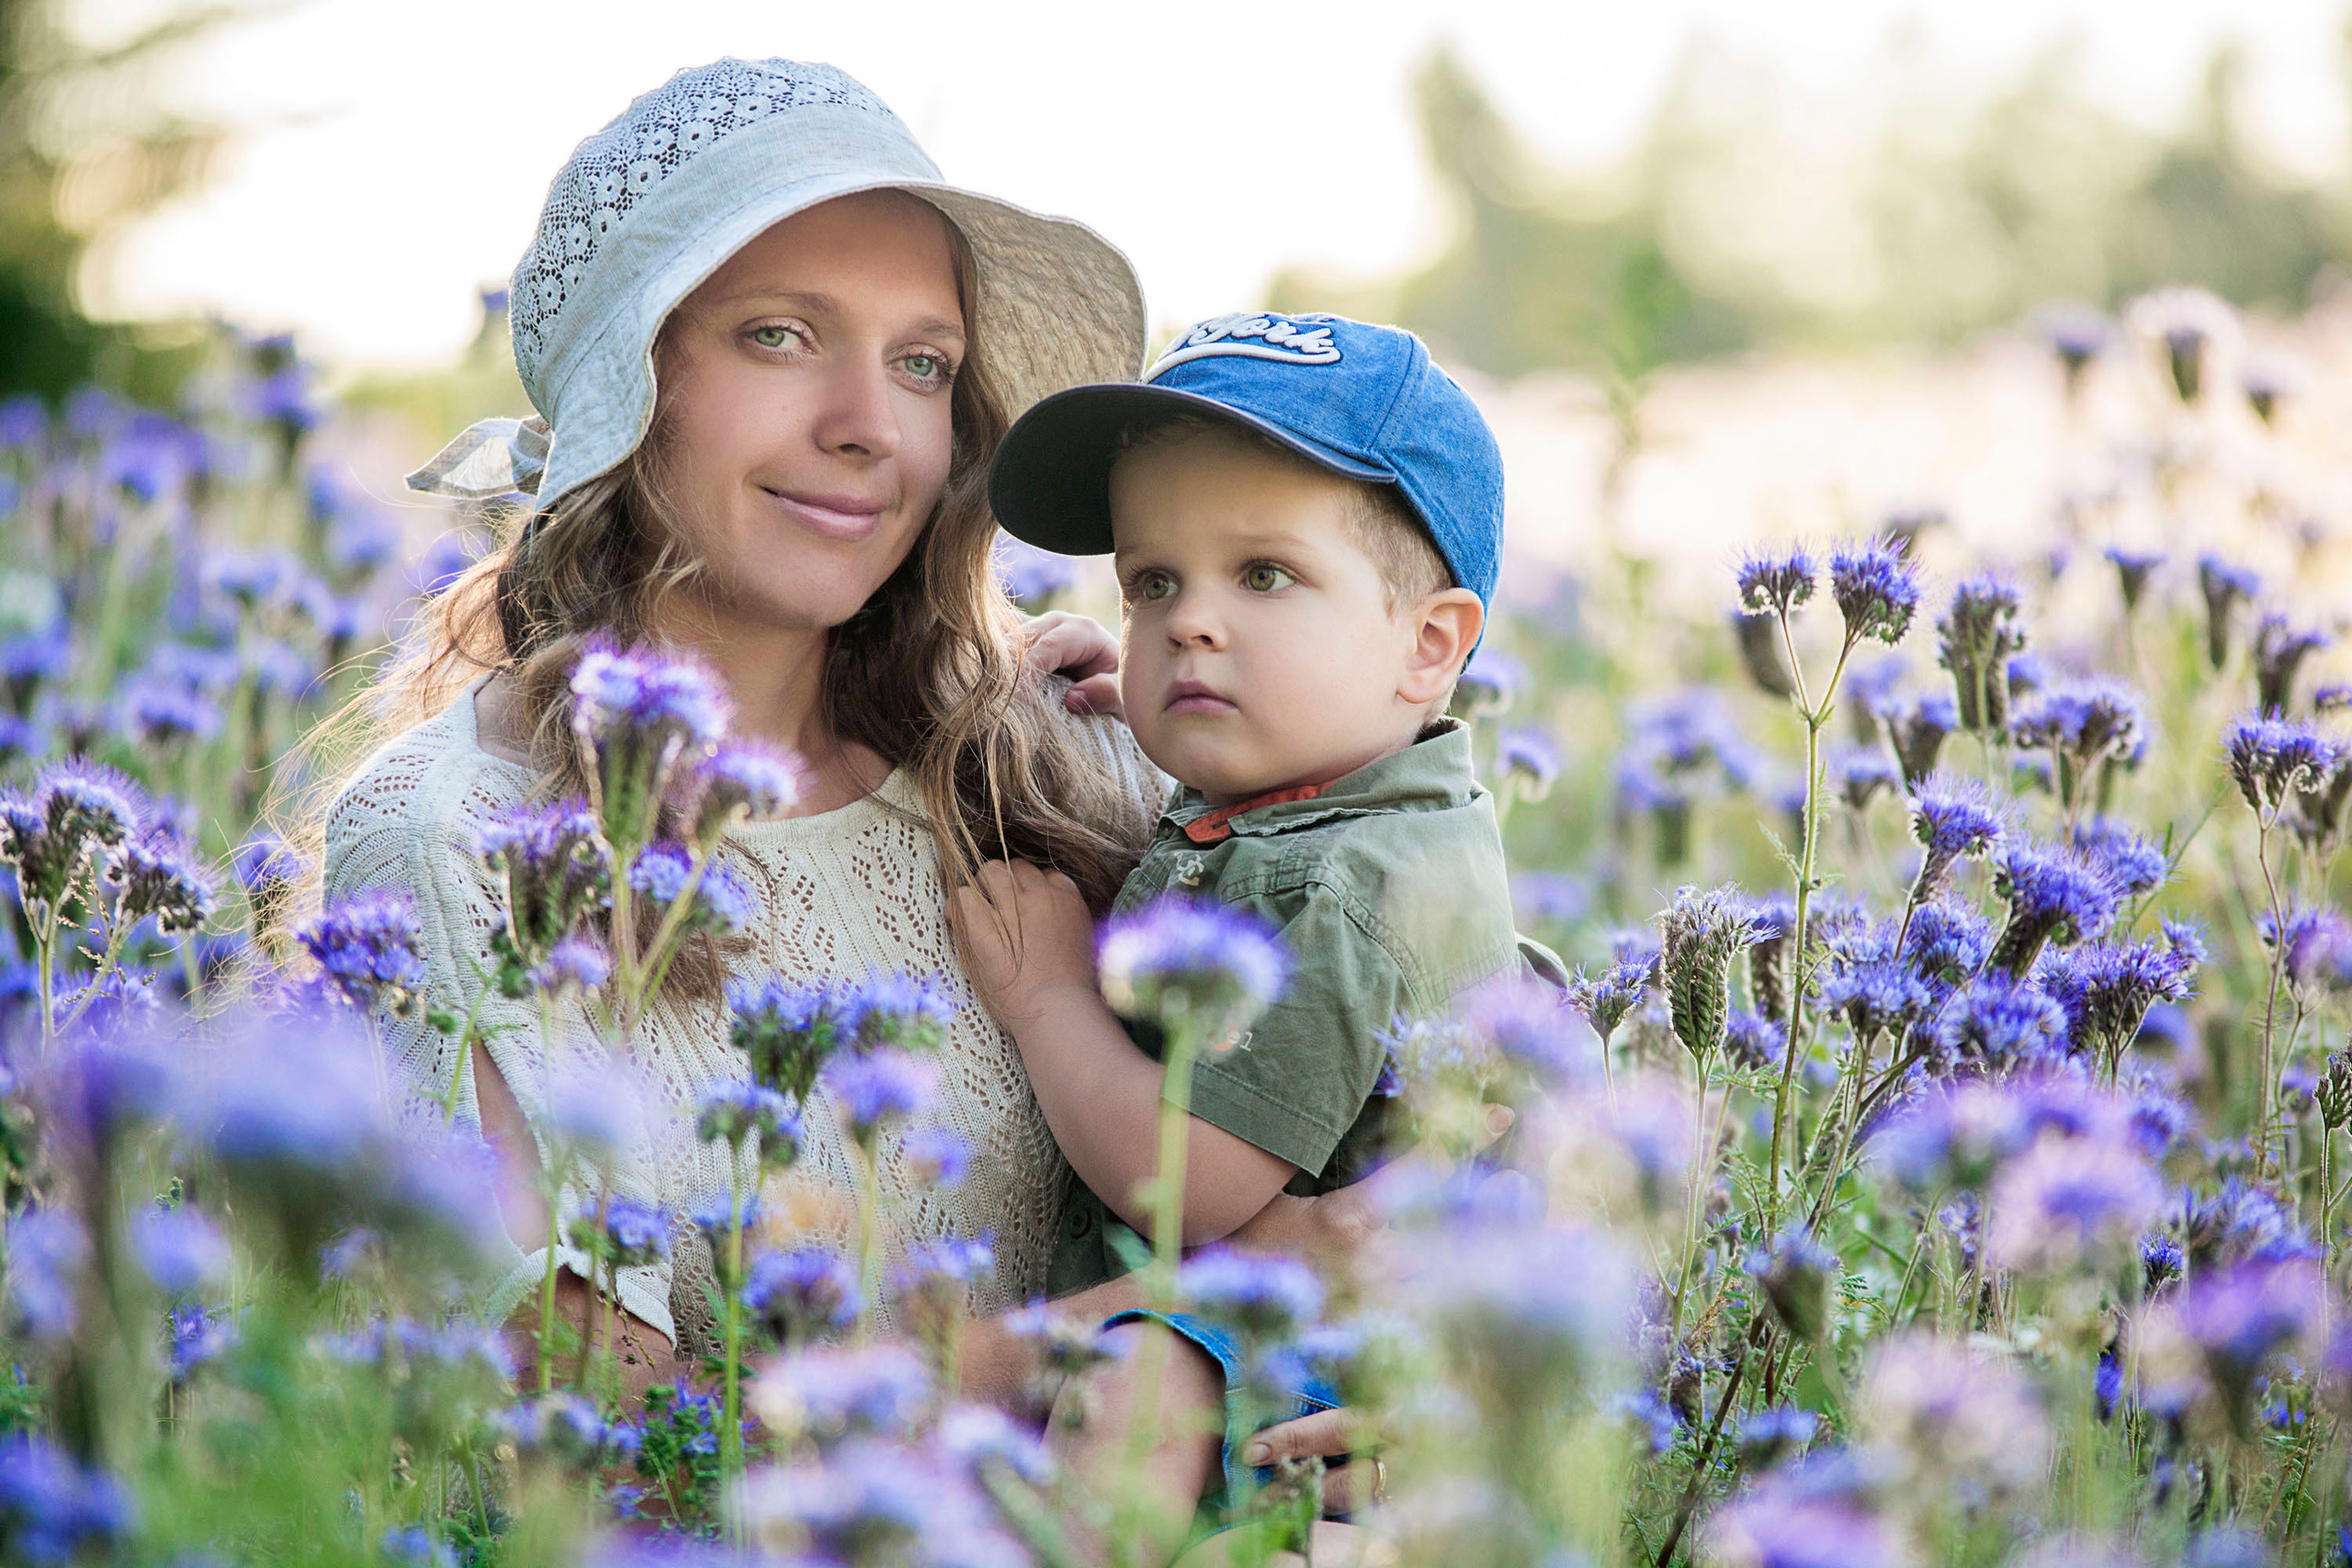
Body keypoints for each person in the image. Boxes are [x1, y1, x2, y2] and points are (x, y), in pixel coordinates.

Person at [302, 61, 1378, 1501]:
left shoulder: (1034, 772)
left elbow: (1413, 1022)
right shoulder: (456, 842)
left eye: (923, 364)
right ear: (633, 385)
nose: (871, 424)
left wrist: (1409, 1357)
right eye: (781, 335)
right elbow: (602, 1437)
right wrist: (1156, 1333)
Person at [951, 312, 1523, 1519]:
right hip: (1276, 1309)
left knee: (1135, 1393)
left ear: (1428, 646)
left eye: (1264, 575)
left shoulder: (1351, 886)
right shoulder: (1327, 799)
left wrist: (1051, 999)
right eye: (1153, 583)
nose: (1190, 624)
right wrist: (1149, 706)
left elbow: (1195, 1187)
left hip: (1314, 1347)